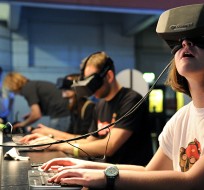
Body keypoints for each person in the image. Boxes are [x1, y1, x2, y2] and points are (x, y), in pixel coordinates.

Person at [35, 4, 204, 190]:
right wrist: (87, 167)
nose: (185, 44)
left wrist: (107, 177)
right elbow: (149, 171)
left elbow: (193, 182)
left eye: (198, 39)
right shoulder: (182, 118)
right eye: (180, 41)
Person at [21, 51, 153, 166]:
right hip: (110, 172)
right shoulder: (100, 105)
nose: (91, 89)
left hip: (132, 177)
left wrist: (59, 145)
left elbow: (110, 146)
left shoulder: (131, 100)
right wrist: (52, 139)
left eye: (93, 82)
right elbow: (88, 141)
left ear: (109, 76)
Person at [29, 73, 96, 139]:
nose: (64, 89)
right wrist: (48, 135)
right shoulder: (73, 106)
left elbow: (84, 137)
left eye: (68, 84)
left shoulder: (89, 107)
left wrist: (51, 132)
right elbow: (71, 131)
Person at [3, 72, 71, 132]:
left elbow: (36, 115)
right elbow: (46, 104)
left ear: (12, 85)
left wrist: (21, 124)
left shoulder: (27, 89)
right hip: (64, 112)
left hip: (61, 114)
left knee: (53, 141)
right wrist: (31, 114)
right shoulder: (31, 85)